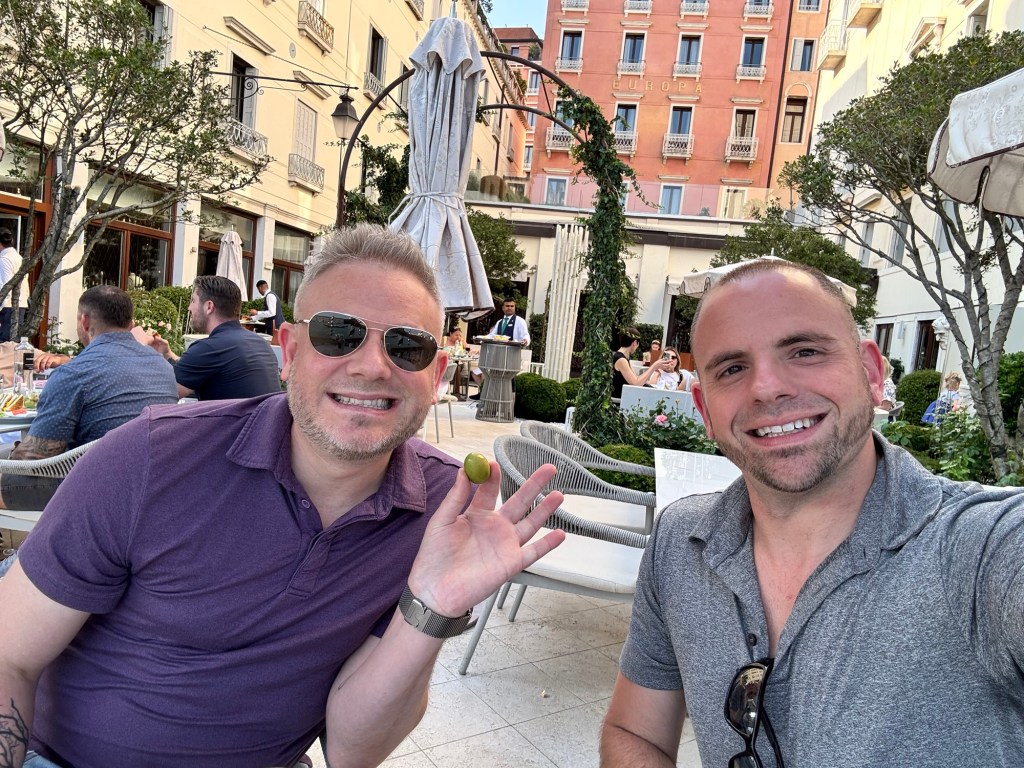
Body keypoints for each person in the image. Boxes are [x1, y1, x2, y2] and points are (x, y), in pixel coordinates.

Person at [0, 224, 566, 768]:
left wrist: (433, 607)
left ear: (437, 374)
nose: (372, 366)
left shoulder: (444, 509)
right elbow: (9, 658)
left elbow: (353, 753)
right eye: (338, 334)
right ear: (290, 351)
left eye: (407, 346)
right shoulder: (150, 457)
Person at [601, 261, 1024, 767]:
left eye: (804, 351)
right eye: (732, 369)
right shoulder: (680, 541)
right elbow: (635, 731)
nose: (767, 387)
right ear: (705, 410)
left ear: (871, 374)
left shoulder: (980, 549)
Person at [0, 285, 178, 510]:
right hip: (156, 482)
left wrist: (14, 455)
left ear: (84, 322)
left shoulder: (74, 374)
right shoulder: (162, 365)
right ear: (131, 324)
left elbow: (33, 460)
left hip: (93, 490)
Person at [142, 275, 281, 400]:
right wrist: (167, 353)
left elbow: (159, 396)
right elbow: (198, 367)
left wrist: (138, 346)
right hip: (261, 421)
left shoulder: (209, 348)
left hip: (231, 422)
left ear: (209, 306)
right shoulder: (261, 343)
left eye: (193, 301)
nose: (189, 308)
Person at [469, 298, 530, 394]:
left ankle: (510, 400)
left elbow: (525, 335)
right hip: (498, 356)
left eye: (512, 306)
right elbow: (492, 336)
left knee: (509, 378)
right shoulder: (500, 322)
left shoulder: (520, 321)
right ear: (503, 308)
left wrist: (525, 340)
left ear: (514, 308)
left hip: (512, 355)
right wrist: (480, 337)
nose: (509, 308)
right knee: (495, 376)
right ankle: (490, 395)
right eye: (507, 306)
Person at [612, 327, 670, 399]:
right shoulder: (621, 360)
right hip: (622, 400)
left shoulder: (622, 357)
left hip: (626, 397)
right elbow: (636, 383)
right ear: (634, 343)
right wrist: (654, 366)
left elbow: (636, 378)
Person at [0, 228, 29, 343]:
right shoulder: (19, 258)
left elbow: (6, 287)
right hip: (20, 306)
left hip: (7, 307)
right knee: (13, 344)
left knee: (4, 345)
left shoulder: (4, 259)